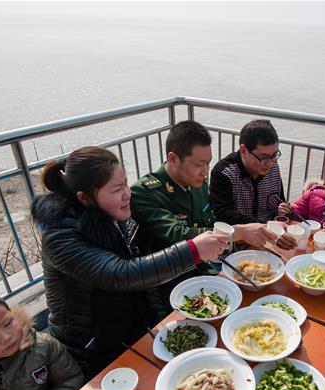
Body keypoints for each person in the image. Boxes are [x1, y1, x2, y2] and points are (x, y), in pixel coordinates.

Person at [31, 146, 229, 376]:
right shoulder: (59, 237)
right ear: (84, 199)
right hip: (90, 348)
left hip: (128, 329)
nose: (128, 194)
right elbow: (120, 274)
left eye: (126, 183)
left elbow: (142, 276)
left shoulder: (114, 216)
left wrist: (158, 324)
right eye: (117, 189)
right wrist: (193, 250)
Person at [132, 120, 295, 262]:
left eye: (208, 163)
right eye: (198, 164)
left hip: (212, 262)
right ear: (173, 159)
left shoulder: (197, 183)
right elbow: (178, 236)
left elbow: (210, 223)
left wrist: (242, 243)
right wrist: (239, 232)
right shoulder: (143, 193)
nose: (205, 171)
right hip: (174, 279)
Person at [210, 119, 288, 224]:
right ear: (243, 151)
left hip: (270, 233)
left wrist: (281, 209)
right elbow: (224, 215)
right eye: (263, 157)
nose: (269, 163)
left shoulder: (273, 166)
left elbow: (279, 201)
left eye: (274, 155)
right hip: (237, 236)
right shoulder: (223, 173)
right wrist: (266, 225)